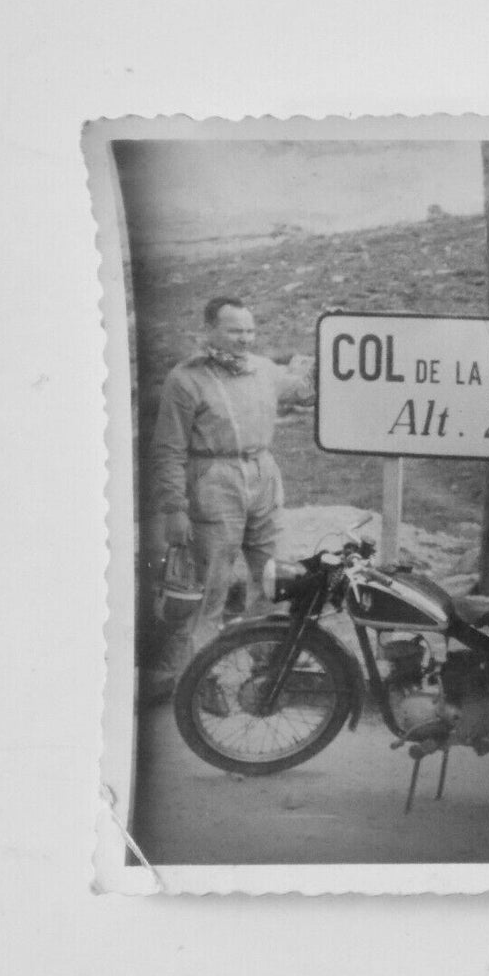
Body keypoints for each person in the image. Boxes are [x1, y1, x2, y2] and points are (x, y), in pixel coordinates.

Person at [145, 296, 309, 703]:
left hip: (262, 472)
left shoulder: (263, 370)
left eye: (250, 331)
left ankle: (267, 668)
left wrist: (328, 349)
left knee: (273, 578)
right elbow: (167, 449)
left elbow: (303, 390)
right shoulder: (186, 380)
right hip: (214, 479)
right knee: (211, 586)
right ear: (210, 331)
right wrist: (174, 508)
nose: (245, 339)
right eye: (235, 331)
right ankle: (200, 683)